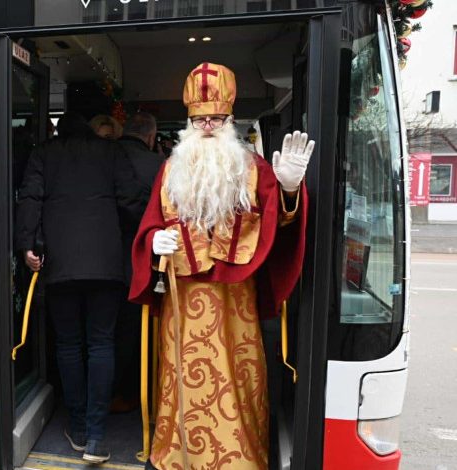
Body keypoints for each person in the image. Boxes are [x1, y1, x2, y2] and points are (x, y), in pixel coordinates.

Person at [129, 63, 313, 470]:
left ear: (230, 120)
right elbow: (151, 223)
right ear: (189, 123)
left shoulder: (253, 168)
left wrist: (288, 188)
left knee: (237, 376)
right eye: (200, 120)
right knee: (181, 379)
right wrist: (153, 242)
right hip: (183, 297)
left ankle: (238, 459)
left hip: (236, 299)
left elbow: (280, 226)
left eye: (216, 118)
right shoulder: (170, 169)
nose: (208, 126)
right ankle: (177, 456)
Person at [16, 112, 146, 464]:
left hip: (59, 264)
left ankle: (77, 428)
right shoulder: (112, 152)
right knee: (102, 343)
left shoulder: (44, 153)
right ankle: (97, 436)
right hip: (106, 264)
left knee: (69, 345)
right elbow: (132, 203)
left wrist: (27, 246)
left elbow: (30, 199)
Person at [112, 112, 162, 412]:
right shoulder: (159, 165)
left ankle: (103, 394)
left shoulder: (104, 157)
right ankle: (131, 393)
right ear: (151, 137)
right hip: (139, 258)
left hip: (101, 257)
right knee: (134, 330)